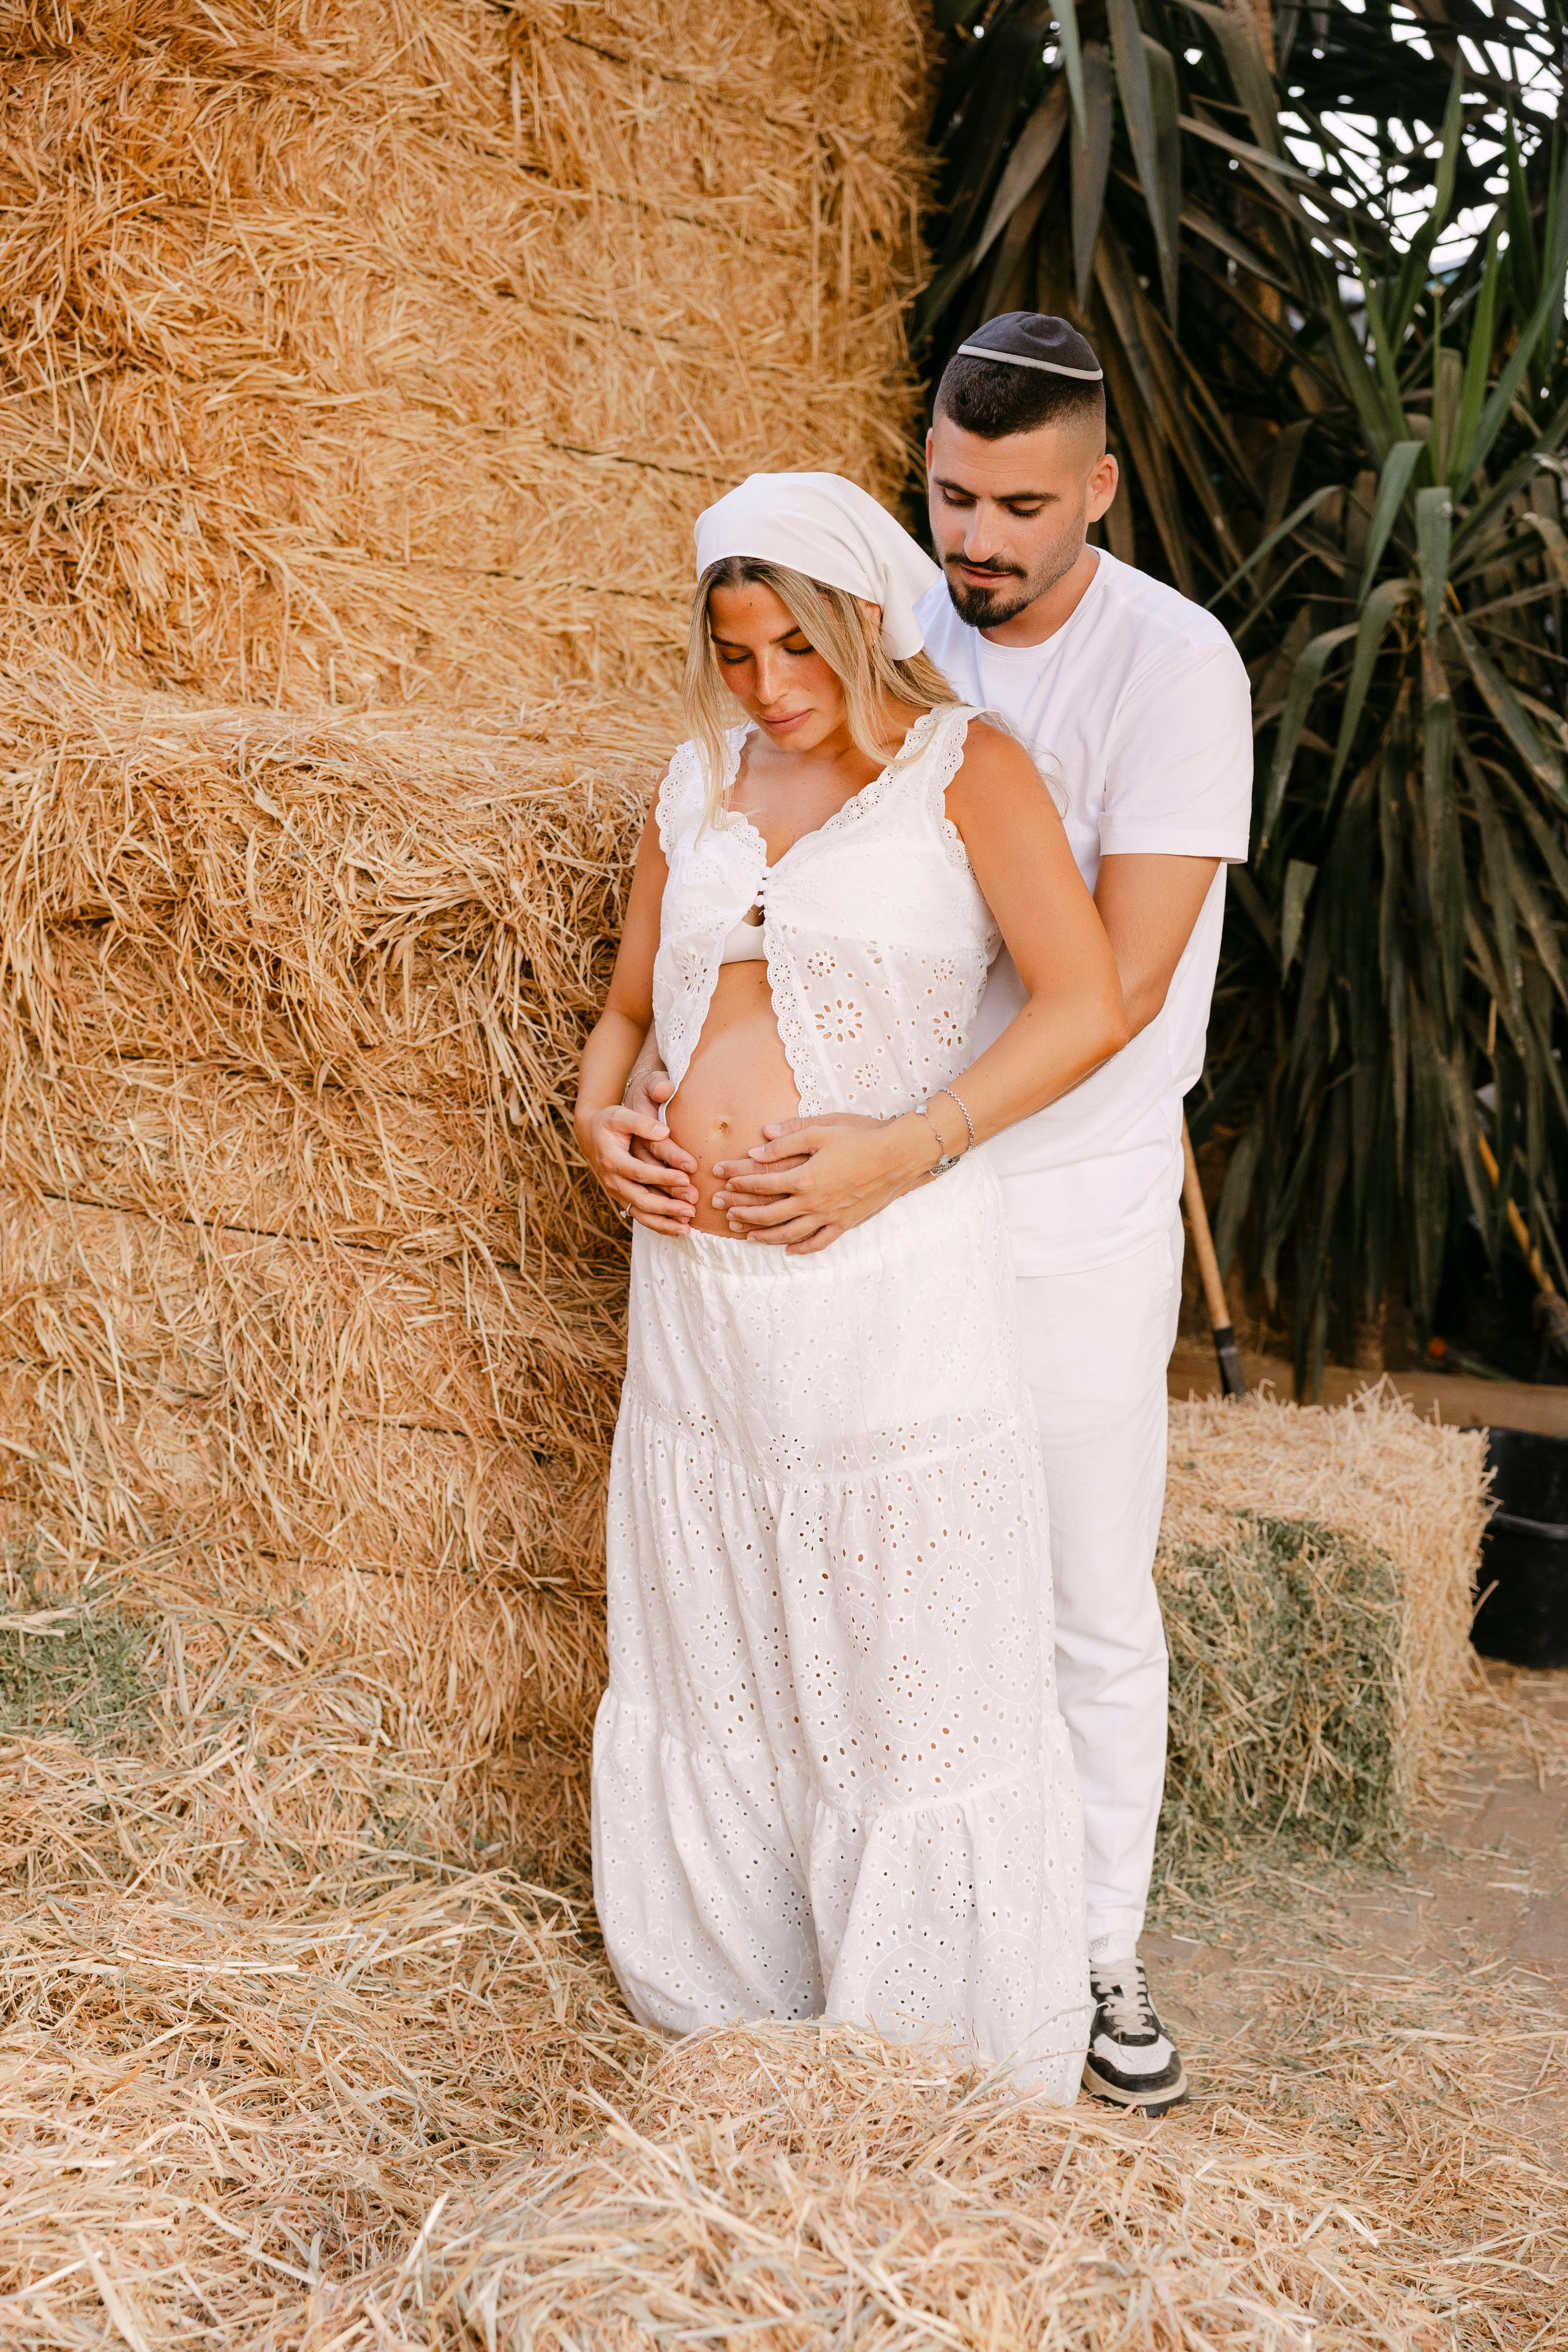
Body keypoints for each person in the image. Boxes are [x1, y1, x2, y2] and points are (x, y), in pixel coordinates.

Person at [617, 317, 1254, 2117]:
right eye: (953, 498)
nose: (980, 538)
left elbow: (1109, 988)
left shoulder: (1169, 670)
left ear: (1100, 491)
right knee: (876, 1600)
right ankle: (840, 1941)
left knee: (1067, 1589)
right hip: (858, 1204)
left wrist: (911, 1131)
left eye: (1022, 505)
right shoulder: (863, 638)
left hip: (1046, 1190)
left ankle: (1092, 1956)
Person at [575, 470, 1129, 2097]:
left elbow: (1085, 1003)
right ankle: (734, 2007)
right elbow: (626, 1011)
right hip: (698, 1300)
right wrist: (600, 1117)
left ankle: (922, 2044)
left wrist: (909, 1144)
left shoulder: (970, 772)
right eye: (740, 655)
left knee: (904, 1654)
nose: (772, 691)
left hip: (887, 1289)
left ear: (868, 620)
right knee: (726, 1643)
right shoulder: (698, 784)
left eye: (798, 652)